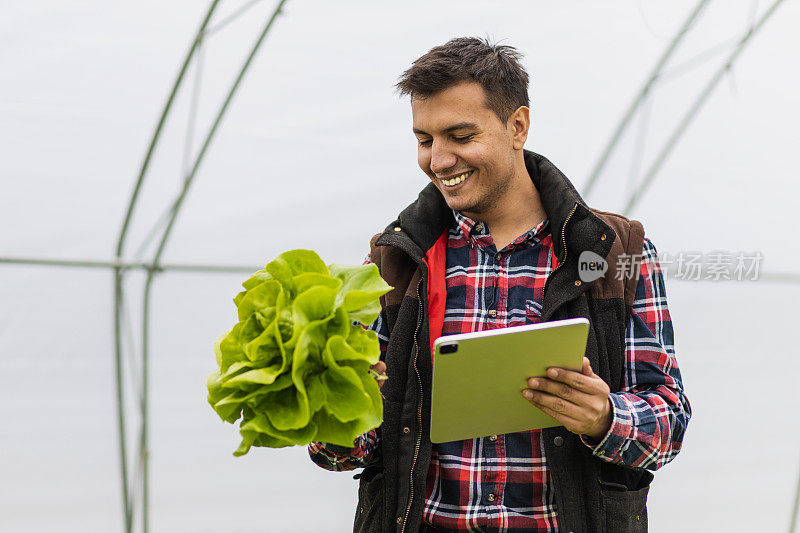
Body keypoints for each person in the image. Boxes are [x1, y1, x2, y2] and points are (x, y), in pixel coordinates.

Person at [308, 37, 691, 533]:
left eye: (460, 136)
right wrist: (341, 407)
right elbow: (343, 455)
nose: (439, 161)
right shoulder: (394, 261)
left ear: (518, 126)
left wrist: (604, 416)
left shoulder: (616, 251)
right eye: (425, 141)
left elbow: (669, 420)